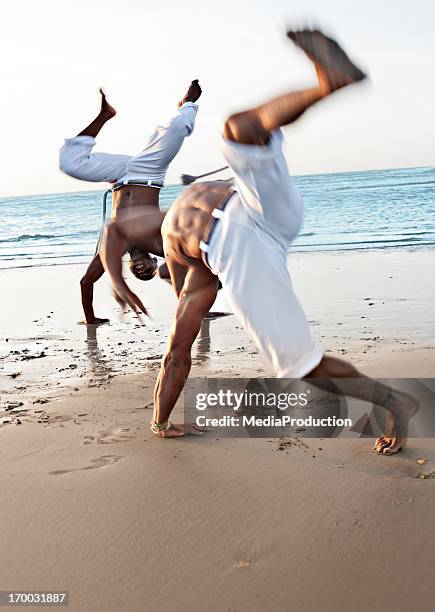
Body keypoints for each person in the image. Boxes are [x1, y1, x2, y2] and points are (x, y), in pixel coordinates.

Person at [100, 29, 417, 453]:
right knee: (301, 365)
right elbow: (176, 355)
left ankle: (330, 81)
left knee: (237, 129)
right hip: (241, 250)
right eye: (144, 271)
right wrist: (160, 422)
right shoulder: (198, 284)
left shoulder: (156, 227)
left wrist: (116, 281)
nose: (140, 265)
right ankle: (395, 401)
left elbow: (114, 231)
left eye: (139, 264)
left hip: (253, 205)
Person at [59, 80, 202, 324]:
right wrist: (202, 306)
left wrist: (90, 318)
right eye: (148, 270)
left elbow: (86, 282)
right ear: (154, 259)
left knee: (69, 162)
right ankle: (186, 105)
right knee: (178, 126)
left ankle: (105, 115)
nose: (141, 270)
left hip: (118, 176)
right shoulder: (159, 242)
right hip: (149, 173)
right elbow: (196, 266)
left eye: (139, 274)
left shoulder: (115, 247)